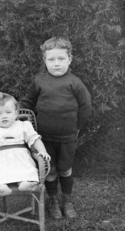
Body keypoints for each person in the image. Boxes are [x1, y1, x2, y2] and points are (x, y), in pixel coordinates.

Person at [19, 37, 91, 219]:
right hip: (44, 138)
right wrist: (15, 113)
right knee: (49, 170)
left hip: (68, 137)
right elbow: (28, 102)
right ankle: (53, 201)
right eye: (51, 59)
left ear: (70, 59)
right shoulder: (39, 81)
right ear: (45, 60)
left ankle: (67, 201)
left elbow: (86, 106)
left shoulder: (74, 82)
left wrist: (77, 127)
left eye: (61, 59)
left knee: (65, 169)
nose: (56, 63)